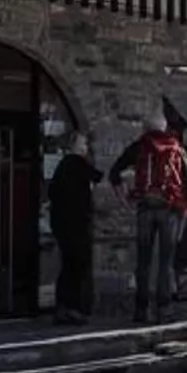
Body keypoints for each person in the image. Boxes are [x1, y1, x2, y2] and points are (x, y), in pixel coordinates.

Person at [109, 112, 187, 323]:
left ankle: (141, 309)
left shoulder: (139, 146)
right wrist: (185, 212)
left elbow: (114, 174)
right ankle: (164, 309)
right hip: (169, 210)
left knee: (144, 261)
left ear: (145, 129)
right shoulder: (176, 147)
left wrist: (126, 202)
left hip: (145, 208)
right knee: (166, 262)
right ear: (165, 127)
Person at [48, 132, 103, 324]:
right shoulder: (76, 163)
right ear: (76, 145)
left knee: (69, 266)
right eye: (84, 143)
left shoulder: (62, 167)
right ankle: (73, 307)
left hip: (63, 223)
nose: (86, 146)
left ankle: (63, 307)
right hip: (76, 223)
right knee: (77, 266)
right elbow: (98, 176)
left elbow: (53, 192)